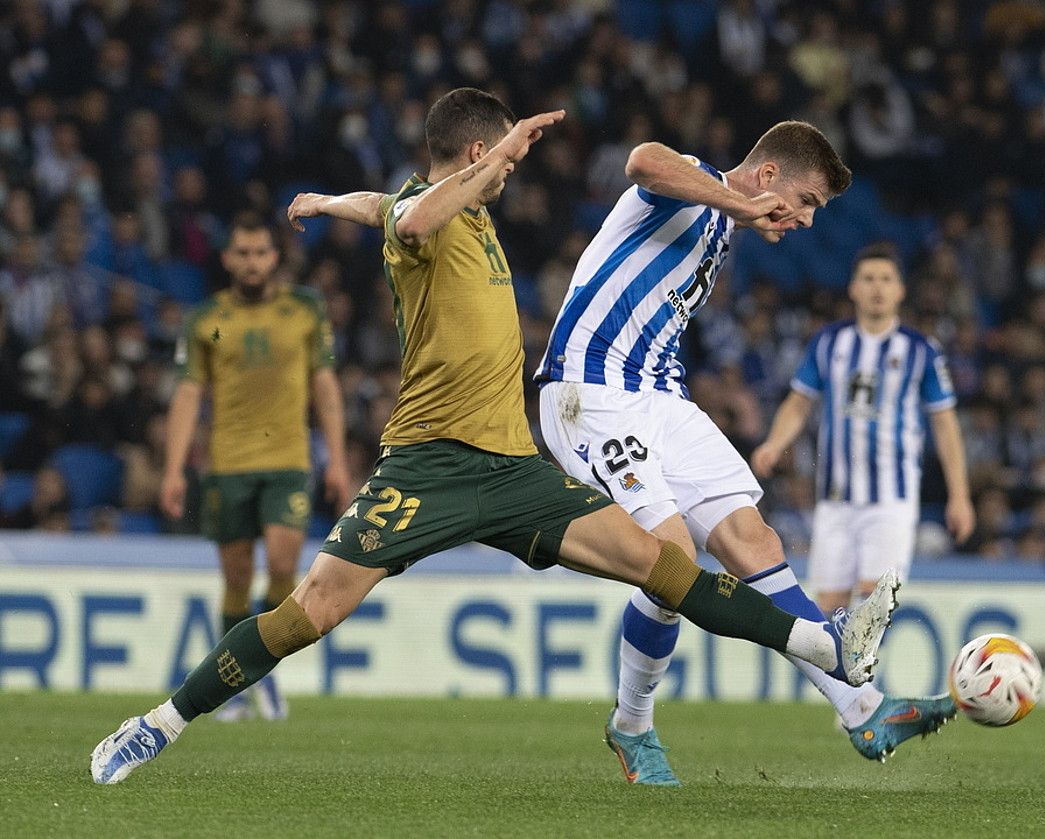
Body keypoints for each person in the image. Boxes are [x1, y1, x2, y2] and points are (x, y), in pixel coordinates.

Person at [90, 89, 894, 786]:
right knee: (311, 611)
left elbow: (384, 206)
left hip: (513, 468)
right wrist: (489, 161)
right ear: (479, 150)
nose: (512, 176)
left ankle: (826, 651)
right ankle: (162, 720)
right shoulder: (437, 214)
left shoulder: (455, 211)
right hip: (429, 466)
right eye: (503, 160)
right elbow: (409, 216)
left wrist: (332, 202)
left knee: (665, 566)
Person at [532, 122, 949, 787]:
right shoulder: (694, 186)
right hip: (590, 389)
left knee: (754, 538)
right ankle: (632, 723)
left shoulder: (724, 227)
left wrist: (740, 215)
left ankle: (862, 708)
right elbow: (641, 159)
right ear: (769, 177)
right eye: (805, 201)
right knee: (670, 555)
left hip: (660, 396)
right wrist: (737, 201)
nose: (807, 220)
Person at [161, 211, 353, 722]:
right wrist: (173, 469)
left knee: (286, 567)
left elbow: (326, 389)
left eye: (260, 252)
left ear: (275, 257)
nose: (251, 262)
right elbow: (187, 394)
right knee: (236, 579)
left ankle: (260, 676)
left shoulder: (306, 310)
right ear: (227, 259)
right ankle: (233, 688)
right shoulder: (205, 319)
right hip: (227, 465)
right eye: (241, 253)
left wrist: (336, 460)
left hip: (289, 461)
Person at [751, 243, 975, 615]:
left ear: (900, 290)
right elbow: (798, 401)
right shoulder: (828, 343)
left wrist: (960, 495)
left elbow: (945, 424)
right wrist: (775, 443)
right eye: (868, 279)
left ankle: (863, 676)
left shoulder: (921, 351)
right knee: (828, 611)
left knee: (873, 605)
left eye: (886, 279)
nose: (877, 288)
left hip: (891, 499)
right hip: (834, 499)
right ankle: (842, 676)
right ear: (853, 288)